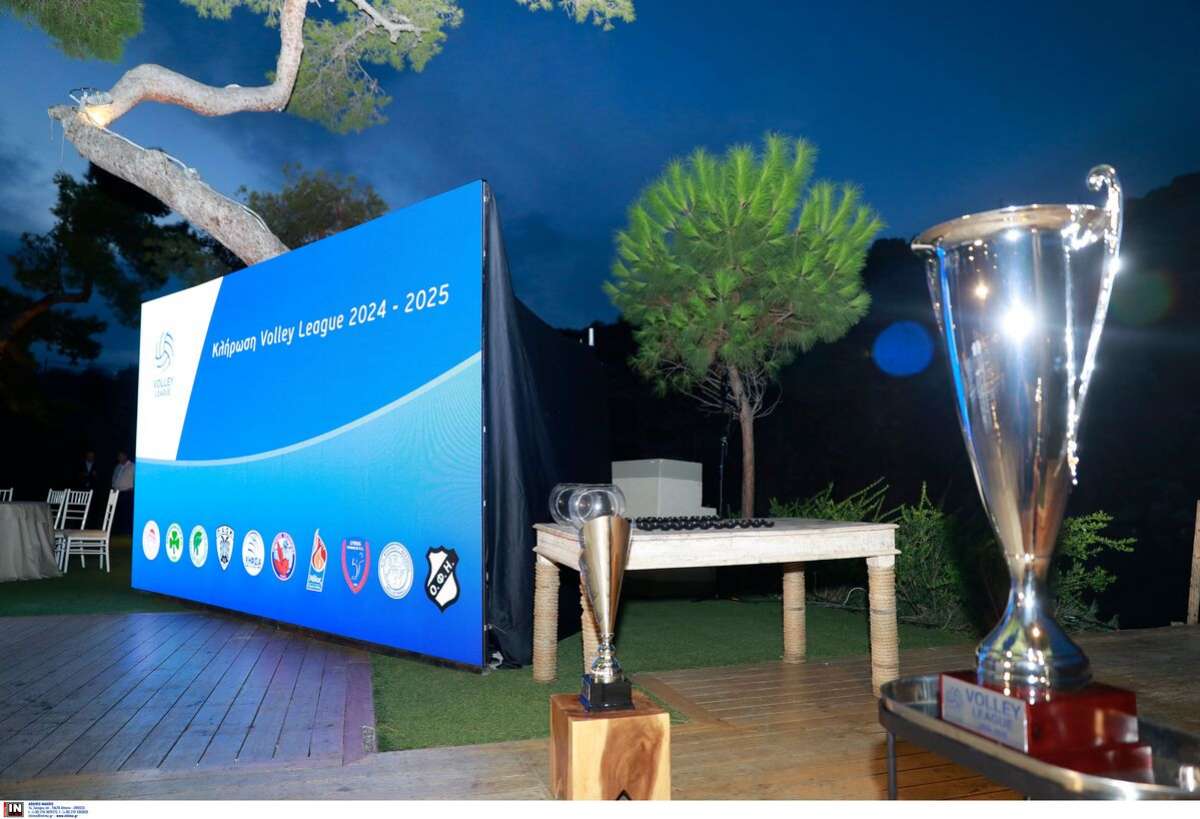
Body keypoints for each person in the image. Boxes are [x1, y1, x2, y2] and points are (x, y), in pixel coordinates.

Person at [112, 451, 135, 534]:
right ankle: (119, 530)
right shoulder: (117, 466)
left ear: (125, 456)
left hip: (127, 492)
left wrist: (133, 488)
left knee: (126, 512)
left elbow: (135, 479)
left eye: (121, 456)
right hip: (116, 493)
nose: (119, 458)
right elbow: (114, 478)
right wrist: (113, 486)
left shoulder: (132, 466)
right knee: (118, 513)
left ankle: (127, 531)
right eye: (118, 456)